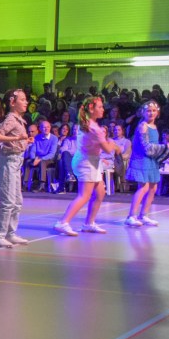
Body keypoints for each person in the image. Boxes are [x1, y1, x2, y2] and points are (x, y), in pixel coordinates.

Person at [54, 96, 121, 236]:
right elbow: (107, 149)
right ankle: (63, 222)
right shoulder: (94, 128)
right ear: (91, 108)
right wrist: (114, 145)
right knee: (84, 195)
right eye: (100, 107)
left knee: (100, 193)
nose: (103, 109)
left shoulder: (88, 123)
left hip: (92, 161)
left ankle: (89, 223)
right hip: (86, 162)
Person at [0, 89, 31, 248]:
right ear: (13, 102)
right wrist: (17, 137)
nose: (26, 102)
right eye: (22, 99)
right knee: (8, 201)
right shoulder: (10, 119)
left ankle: (10, 233)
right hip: (8, 161)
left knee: (17, 201)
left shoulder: (19, 120)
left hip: (17, 160)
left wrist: (25, 141)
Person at [124, 100, 169, 227]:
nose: (151, 113)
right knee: (143, 187)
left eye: (153, 110)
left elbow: (154, 146)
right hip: (142, 160)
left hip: (151, 160)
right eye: (148, 111)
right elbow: (146, 148)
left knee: (153, 188)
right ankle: (131, 216)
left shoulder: (154, 127)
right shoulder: (143, 126)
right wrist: (166, 147)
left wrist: (168, 151)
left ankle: (144, 215)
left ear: (157, 112)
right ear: (143, 112)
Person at [24, 119, 58, 191]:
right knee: (28, 162)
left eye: (48, 127)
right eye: (44, 127)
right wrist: (34, 159)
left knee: (42, 162)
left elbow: (52, 154)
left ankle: (42, 185)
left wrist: (40, 159)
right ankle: (25, 184)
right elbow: (33, 151)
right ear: (40, 129)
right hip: (37, 157)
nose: (46, 129)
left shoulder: (54, 138)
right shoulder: (37, 138)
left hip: (49, 159)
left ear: (50, 128)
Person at [54, 122, 75, 193]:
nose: (65, 130)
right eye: (74, 129)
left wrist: (70, 152)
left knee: (62, 160)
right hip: (64, 158)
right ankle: (69, 176)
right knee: (62, 160)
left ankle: (61, 186)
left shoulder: (82, 140)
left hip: (76, 159)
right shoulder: (66, 140)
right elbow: (63, 149)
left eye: (67, 129)